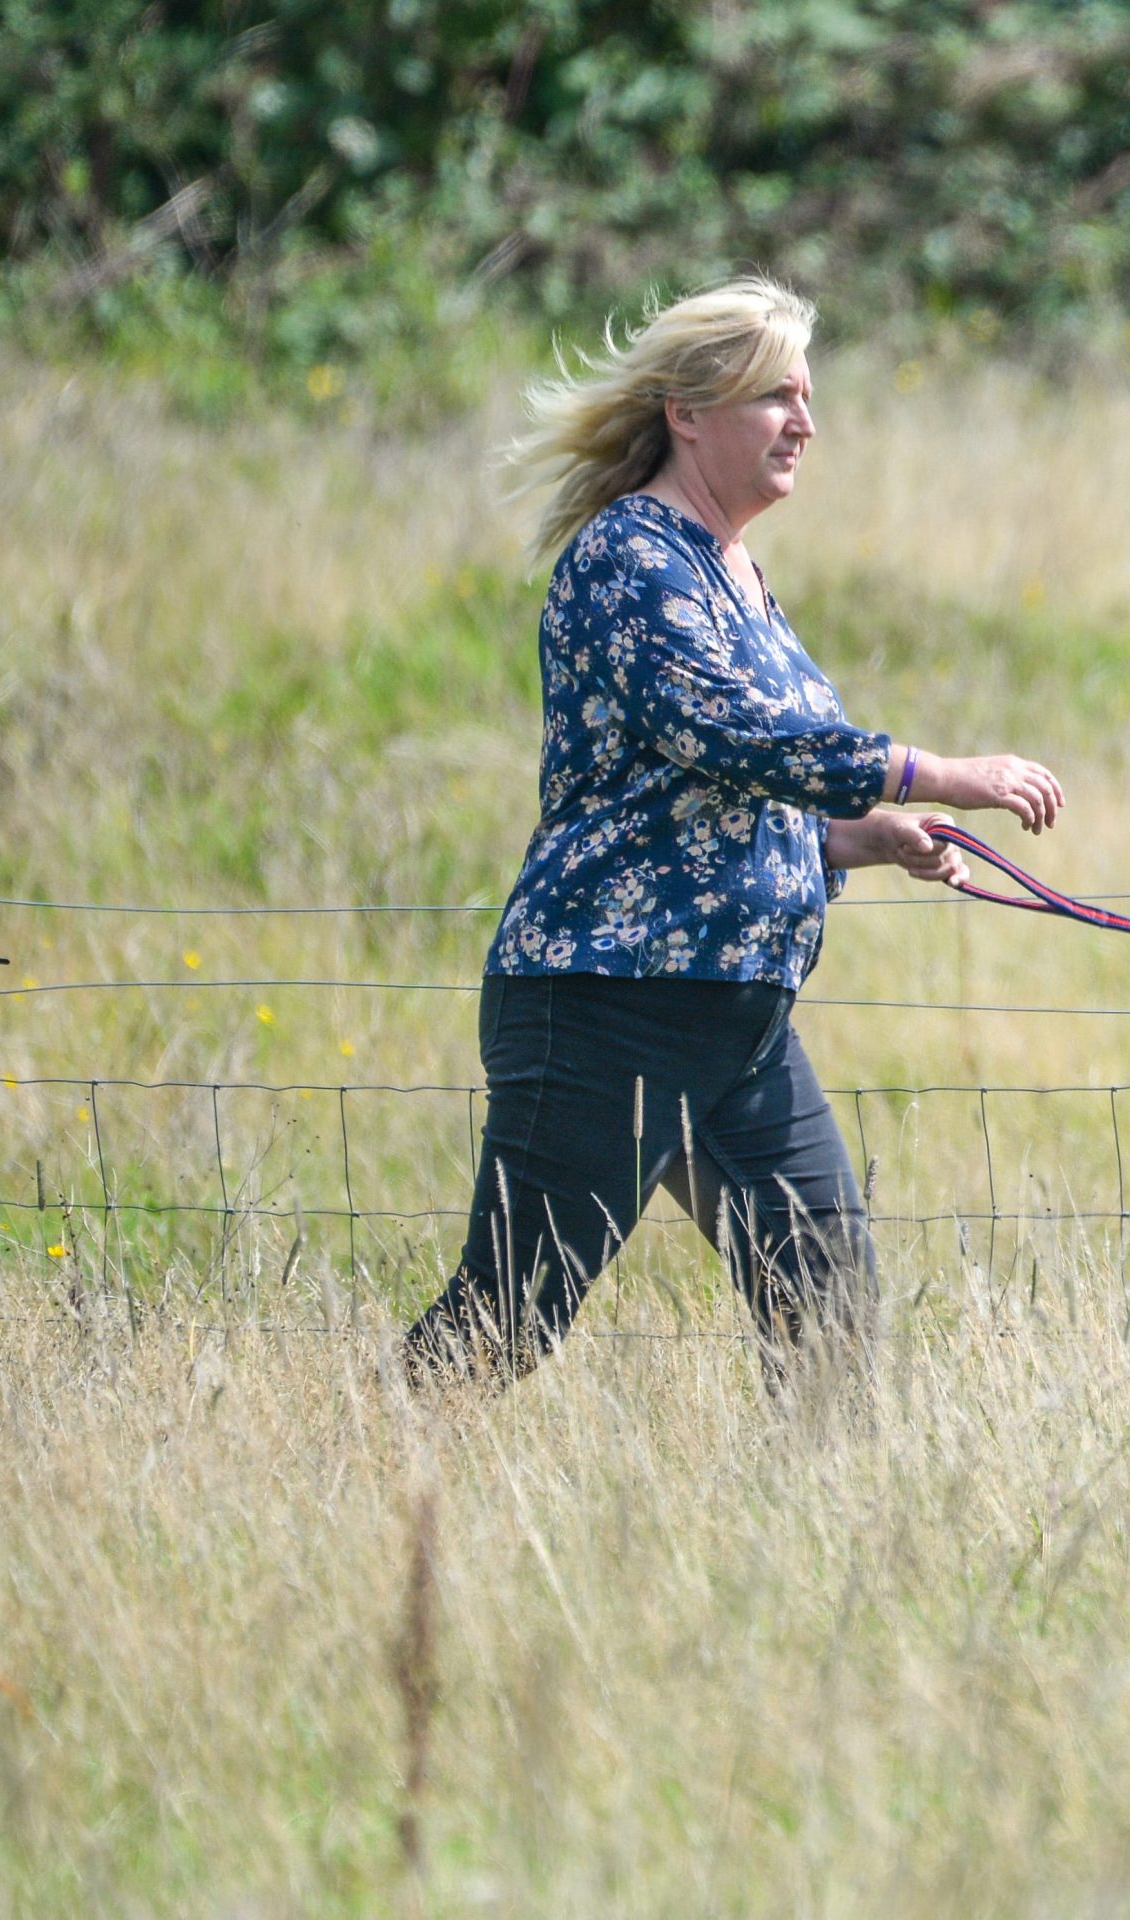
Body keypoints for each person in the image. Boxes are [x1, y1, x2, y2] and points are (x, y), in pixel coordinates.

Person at [404, 277, 1063, 1383]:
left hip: (738, 1016)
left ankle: (812, 1547)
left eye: (805, 397)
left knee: (831, 1318)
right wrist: (945, 770)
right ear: (688, 412)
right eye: (774, 397)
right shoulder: (630, 558)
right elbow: (734, 737)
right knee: (504, 1323)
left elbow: (726, 811)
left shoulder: (739, 576)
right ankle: (370, 1477)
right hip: (608, 1002)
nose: (804, 423)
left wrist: (867, 837)